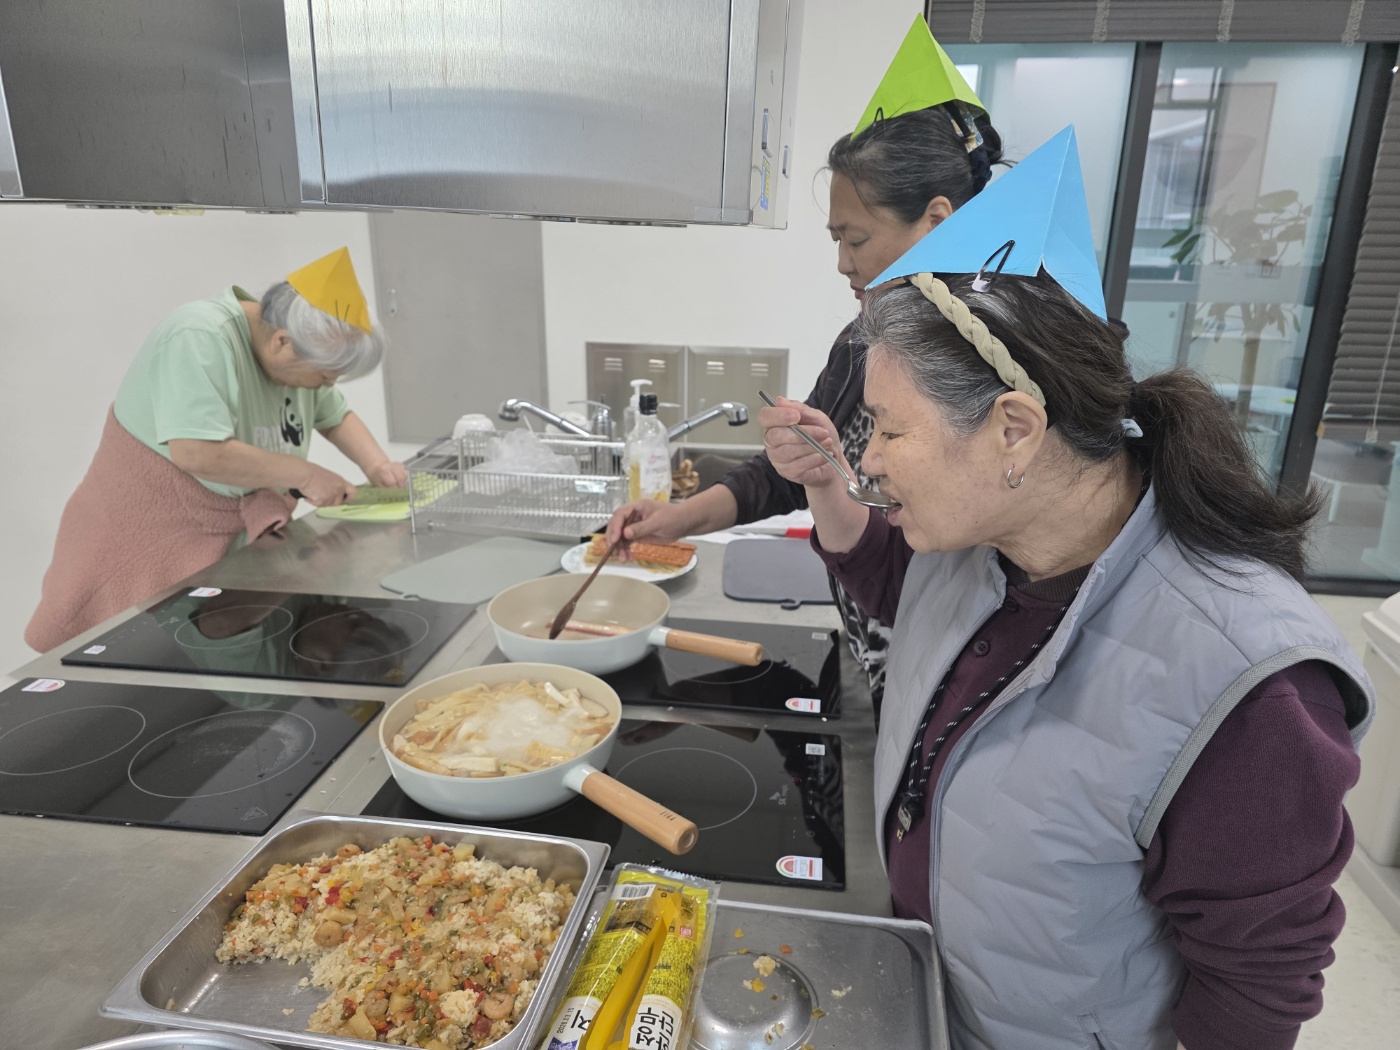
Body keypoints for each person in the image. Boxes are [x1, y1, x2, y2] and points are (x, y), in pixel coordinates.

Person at [757, 127, 1375, 1049]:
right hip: (930, 1001)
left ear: (1014, 427)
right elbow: (903, 596)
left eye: (887, 428)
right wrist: (824, 486)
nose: (869, 458)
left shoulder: (1246, 684)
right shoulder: (981, 538)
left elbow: (1255, 986)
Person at [606, 17, 1002, 714]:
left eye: (857, 238)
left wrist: (825, 482)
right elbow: (788, 476)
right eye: (835, 239)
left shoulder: (986, 370)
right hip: (874, 659)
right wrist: (676, 519)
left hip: (945, 686)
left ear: (937, 221)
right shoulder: (863, 339)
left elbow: (910, 577)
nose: (843, 263)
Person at [26, 246, 405, 652]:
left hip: (230, 540)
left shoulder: (298, 356)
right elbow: (197, 452)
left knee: (184, 648)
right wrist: (308, 475)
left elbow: (334, 415)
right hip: (150, 533)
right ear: (282, 342)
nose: (326, 387)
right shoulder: (199, 336)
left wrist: (377, 465)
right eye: (326, 376)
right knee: (115, 647)